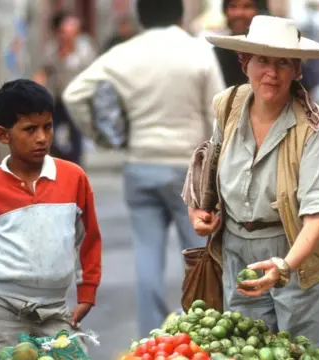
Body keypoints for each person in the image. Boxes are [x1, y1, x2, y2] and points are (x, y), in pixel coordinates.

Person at [189, 15, 319, 353]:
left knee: (305, 350)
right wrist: (201, 210)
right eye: (262, 60)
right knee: (248, 346)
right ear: (244, 62)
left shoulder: (313, 128)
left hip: (296, 254)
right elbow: (211, 162)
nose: (272, 73)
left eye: (283, 63)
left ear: (298, 70)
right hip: (238, 252)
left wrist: (285, 266)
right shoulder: (228, 105)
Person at [62, 0, 224, 338]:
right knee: (201, 260)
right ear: (180, 14)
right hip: (189, 171)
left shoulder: (123, 54)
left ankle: (152, 342)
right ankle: (206, 337)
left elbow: (75, 93)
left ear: (139, 17)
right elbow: (219, 113)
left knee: (147, 260)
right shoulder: (197, 51)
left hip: (140, 165)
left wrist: (104, 138)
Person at [0, 79, 102, 359]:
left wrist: (87, 295)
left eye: (48, 126)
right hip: (2, 313)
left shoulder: (74, 179)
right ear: (3, 135)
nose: (42, 137)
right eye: (30, 129)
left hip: (56, 311)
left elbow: (89, 240)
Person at [34, 10, 97, 166]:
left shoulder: (85, 49)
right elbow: (44, 70)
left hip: (78, 100)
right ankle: (62, 158)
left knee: (76, 136)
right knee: (50, 134)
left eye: (71, 31)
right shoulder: (52, 49)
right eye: (63, 32)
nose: (66, 36)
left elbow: (94, 72)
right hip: (59, 99)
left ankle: (75, 168)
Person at [214, 0, 266, 87]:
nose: (239, 13)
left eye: (247, 6)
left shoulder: (270, 52)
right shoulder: (215, 55)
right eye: (233, 6)